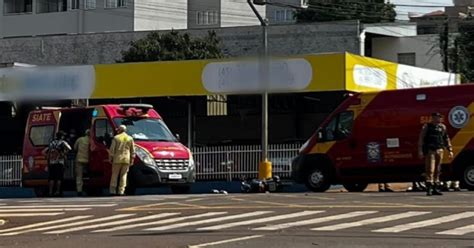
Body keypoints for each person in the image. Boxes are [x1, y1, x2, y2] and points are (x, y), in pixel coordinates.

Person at [418, 112, 454, 196]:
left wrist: (450, 150)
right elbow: (421, 138)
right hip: (430, 151)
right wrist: (420, 150)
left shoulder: (442, 127)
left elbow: (446, 138)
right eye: (436, 117)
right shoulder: (427, 127)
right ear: (432, 118)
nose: (437, 119)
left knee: (437, 170)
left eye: (439, 118)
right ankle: (429, 188)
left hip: (439, 150)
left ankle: (435, 187)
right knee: (430, 169)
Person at [42, 132, 71, 196]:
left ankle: (50, 192)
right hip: (60, 162)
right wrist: (64, 153)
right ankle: (57, 192)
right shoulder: (63, 142)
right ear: (61, 136)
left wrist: (49, 157)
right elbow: (69, 148)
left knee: (51, 178)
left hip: (52, 162)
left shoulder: (52, 143)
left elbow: (46, 151)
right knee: (59, 178)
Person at [109, 125, 135, 196]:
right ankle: (121, 191)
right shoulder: (130, 138)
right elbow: (133, 150)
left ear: (119, 130)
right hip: (126, 159)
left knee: (114, 175)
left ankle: (113, 190)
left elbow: (112, 150)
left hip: (117, 159)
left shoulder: (116, 138)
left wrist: (110, 158)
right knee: (124, 175)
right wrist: (132, 160)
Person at [74, 129, 90, 196]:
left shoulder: (80, 139)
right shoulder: (92, 140)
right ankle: (88, 189)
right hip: (88, 160)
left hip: (79, 159)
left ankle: (79, 190)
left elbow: (75, 148)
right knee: (89, 175)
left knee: (79, 176)